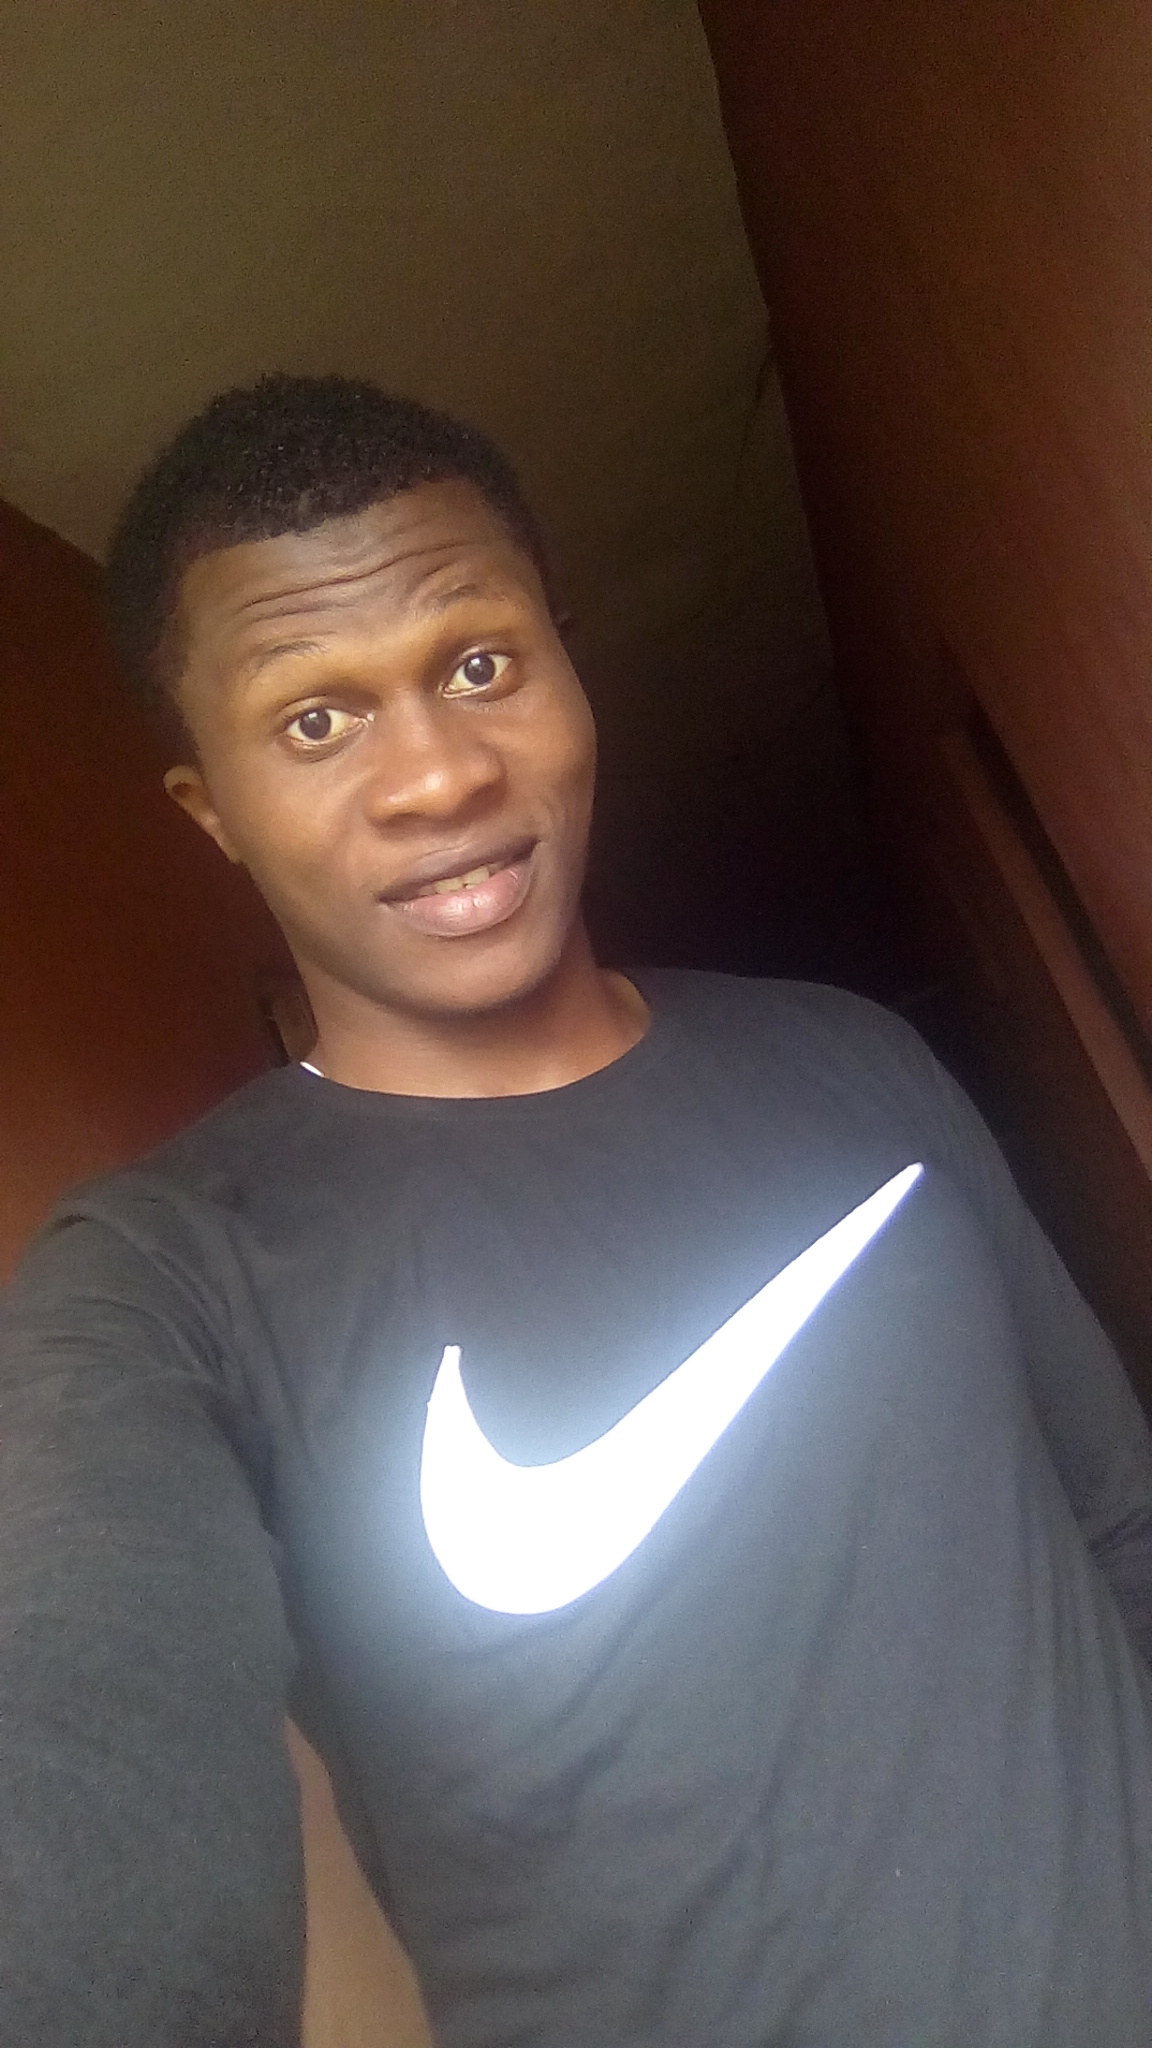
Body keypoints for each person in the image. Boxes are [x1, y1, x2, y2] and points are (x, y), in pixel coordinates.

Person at [4, 373, 1152, 2048]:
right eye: (315, 721)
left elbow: (1118, 1518)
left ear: (567, 664)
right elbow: (77, 1739)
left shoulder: (853, 1058)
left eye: (479, 664)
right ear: (213, 812)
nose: (436, 776)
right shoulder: (164, 1286)